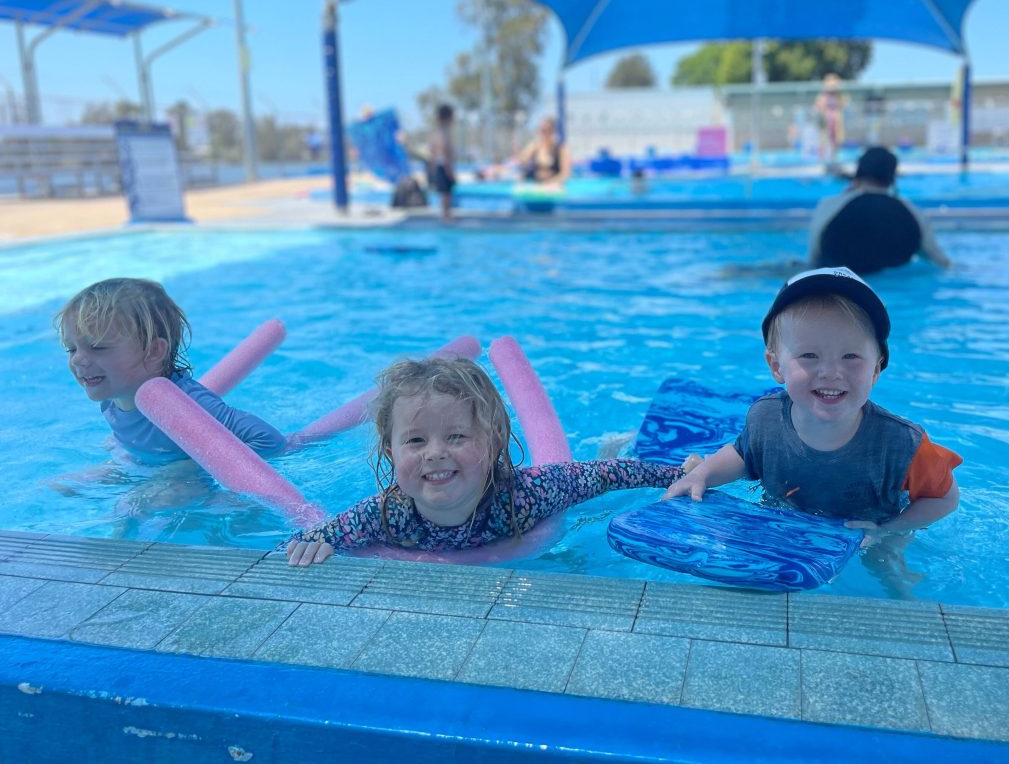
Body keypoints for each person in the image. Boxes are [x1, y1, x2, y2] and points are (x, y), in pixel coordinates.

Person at [665, 266, 961, 548]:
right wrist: (701, 476)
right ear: (776, 366)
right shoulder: (765, 419)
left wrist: (888, 529)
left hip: (873, 529)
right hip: (785, 518)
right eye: (809, 355)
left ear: (875, 370)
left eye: (850, 356)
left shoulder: (902, 444)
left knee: (890, 572)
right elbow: (743, 455)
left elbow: (944, 499)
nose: (831, 371)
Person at [286, 356, 684, 565]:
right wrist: (311, 546)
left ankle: (611, 442)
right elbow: (303, 543)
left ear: (494, 443)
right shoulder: (385, 515)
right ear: (391, 452)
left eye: (456, 436)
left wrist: (681, 473)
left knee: (604, 470)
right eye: (416, 440)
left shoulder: (529, 495)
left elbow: (609, 476)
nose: (435, 452)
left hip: (542, 511)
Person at [56, 278, 288, 464]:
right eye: (71, 349)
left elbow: (269, 441)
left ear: (154, 351)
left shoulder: (187, 406)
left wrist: (189, 469)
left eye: (98, 347)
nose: (78, 360)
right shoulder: (110, 393)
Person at [807, 145, 950, 274]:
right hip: (896, 287)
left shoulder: (830, 206)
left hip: (838, 287)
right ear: (892, 178)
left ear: (858, 172)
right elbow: (940, 261)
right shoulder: (914, 214)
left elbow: (813, 260)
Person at [516, 116, 571, 189]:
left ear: (554, 131)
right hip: (536, 184)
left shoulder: (560, 149)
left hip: (553, 186)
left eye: (548, 130)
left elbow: (565, 174)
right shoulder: (535, 146)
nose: (544, 133)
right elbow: (521, 161)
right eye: (542, 130)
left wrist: (549, 183)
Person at [428, 103, 457, 221]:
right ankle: (445, 215)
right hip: (444, 166)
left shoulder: (439, 133)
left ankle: (446, 214)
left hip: (441, 166)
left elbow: (432, 151)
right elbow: (441, 154)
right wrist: (449, 171)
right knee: (446, 194)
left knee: (447, 193)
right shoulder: (442, 134)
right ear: (447, 118)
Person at [812, 73, 846, 170]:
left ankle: (834, 161)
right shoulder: (822, 96)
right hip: (826, 120)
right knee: (824, 141)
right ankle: (823, 163)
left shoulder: (839, 96)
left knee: (836, 141)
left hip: (836, 120)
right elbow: (818, 106)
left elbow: (843, 104)